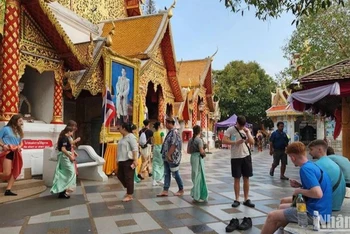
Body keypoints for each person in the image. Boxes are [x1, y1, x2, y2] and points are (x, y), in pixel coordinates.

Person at [261, 142, 332, 234]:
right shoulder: (311, 165)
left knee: (271, 216)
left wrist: (299, 190)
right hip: (323, 210)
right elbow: (316, 187)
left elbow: (318, 193)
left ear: (292, 157)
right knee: (282, 207)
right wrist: (300, 185)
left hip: (315, 214)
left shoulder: (305, 169)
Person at [222, 115, 255, 208]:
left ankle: (246, 198)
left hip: (246, 156)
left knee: (246, 178)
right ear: (237, 123)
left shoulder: (246, 130)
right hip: (236, 157)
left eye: (243, 125)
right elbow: (224, 140)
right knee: (237, 178)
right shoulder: (230, 130)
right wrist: (235, 142)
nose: (241, 127)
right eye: (240, 125)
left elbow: (252, 142)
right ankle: (237, 199)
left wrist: (248, 132)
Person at [308, 140, 345, 211]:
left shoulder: (317, 165)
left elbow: (312, 190)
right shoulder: (333, 163)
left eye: (311, 149)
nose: (309, 152)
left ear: (319, 150)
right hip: (337, 204)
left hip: (326, 206)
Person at [157, 116, 184, 197]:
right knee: (166, 173)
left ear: (170, 123)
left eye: (166, 123)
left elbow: (174, 144)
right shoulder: (170, 132)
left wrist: (169, 154)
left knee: (175, 173)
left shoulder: (174, 132)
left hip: (172, 157)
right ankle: (165, 190)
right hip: (166, 157)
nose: (165, 125)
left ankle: (181, 188)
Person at [0, 114, 24, 196]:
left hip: (17, 153)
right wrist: (3, 145)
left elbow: (21, 142)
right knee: (6, 173)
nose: (22, 123)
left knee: (15, 171)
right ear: (15, 121)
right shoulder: (6, 129)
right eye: (20, 121)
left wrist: (20, 146)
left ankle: (8, 190)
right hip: (8, 152)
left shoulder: (19, 131)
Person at [50, 126, 77, 199]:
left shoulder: (64, 137)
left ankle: (63, 191)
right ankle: (64, 189)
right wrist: (70, 156)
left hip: (64, 157)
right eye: (72, 132)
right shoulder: (64, 138)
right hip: (64, 157)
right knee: (71, 173)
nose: (72, 133)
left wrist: (73, 153)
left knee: (64, 173)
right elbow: (63, 149)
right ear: (69, 132)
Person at [116, 123, 138, 202]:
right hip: (121, 160)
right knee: (120, 175)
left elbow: (135, 148)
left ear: (124, 128)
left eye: (120, 128)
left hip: (128, 160)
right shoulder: (122, 138)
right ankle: (129, 188)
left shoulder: (131, 137)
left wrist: (135, 160)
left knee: (129, 177)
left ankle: (129, 194)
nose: (119, 130)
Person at [187, 125, 208, 202]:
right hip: (198, 158)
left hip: (193, 157)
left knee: (194, 175)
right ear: (200, 131)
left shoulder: (190, 140)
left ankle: (195, 193)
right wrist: (204, 153)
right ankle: (198, 195)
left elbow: (188, 151)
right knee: (199, 175)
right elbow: (201, 151)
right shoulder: (199, 140)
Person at [152, 121, 164, 186]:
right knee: (161, 164)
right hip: (160, 148)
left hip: (155, 148)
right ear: (159, 126)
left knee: (155, 163)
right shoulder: (161, 133)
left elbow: (153, 142)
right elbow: (163, 142)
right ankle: (160, 178)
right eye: (161, 124)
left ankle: (154, 180)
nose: (162, 125)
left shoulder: (154, 133)